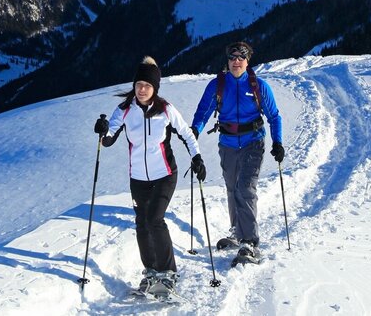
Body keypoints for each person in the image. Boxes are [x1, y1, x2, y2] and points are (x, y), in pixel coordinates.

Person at [94, 56, 206, 297]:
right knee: (142, 224)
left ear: (155, 88)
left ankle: (169, 273)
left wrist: (196, 157)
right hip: (138, 178)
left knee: (155, 218)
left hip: (164, 174)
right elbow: (109, 138)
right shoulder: (124, 110)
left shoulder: (165, 110)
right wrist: (103, 132)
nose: (142, 90)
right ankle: (152, 271)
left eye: (147, 86)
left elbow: (186, 133)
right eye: (138, 85)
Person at [191, 41, 283, 265]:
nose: (236, 62)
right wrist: (194, 130)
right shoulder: (217, 86)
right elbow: (203, 112)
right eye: (232, 58)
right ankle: (236, 231)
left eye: (241, 58)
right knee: (232, 187)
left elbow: (274, 116)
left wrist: (277, 142)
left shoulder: (259, 86)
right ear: (227, 60)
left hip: (254, 142)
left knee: (245, 187)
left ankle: (249, 241)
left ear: (247, 60)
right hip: (228, 144)